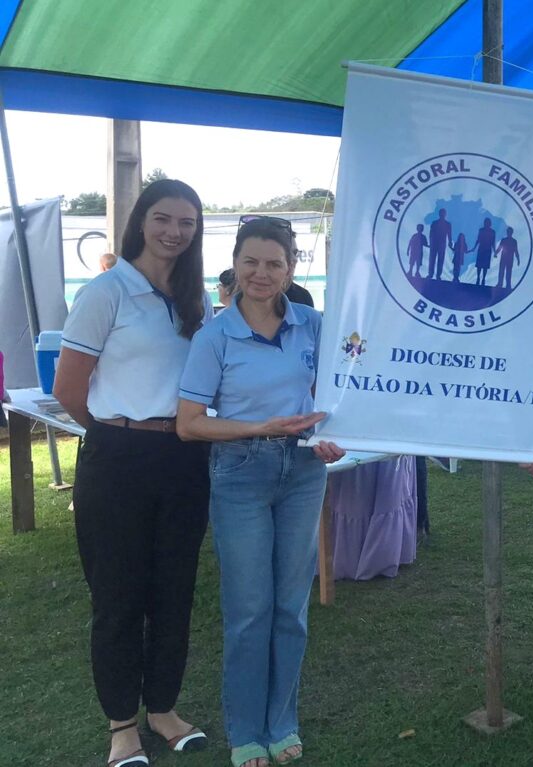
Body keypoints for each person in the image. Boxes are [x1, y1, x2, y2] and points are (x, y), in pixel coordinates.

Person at [53, 179, 214, 767]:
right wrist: (120, 432)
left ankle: (164, 709)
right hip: (117, 457)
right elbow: (69, 390)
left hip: (183, 458)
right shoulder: (107, 290)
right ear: (141, 222)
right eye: (163, 218)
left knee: (174, 591)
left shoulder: (196, 298)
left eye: (188, 222)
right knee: (118, 596)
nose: (174, 231)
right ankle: (123, 725)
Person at [176, 218, 345, 767]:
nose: (262, 273)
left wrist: (332, 435)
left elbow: (343, 394)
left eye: (274, 263)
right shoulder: (214, 336)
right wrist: (259, 427)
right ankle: (247, 730)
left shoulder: (316, 327)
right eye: (251, 261)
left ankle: (282, 721)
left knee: (291, 608)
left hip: (302, 474)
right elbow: (190, 423)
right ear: (234, 265)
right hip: (240, 474)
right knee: (250, 610)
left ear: (291, 268)